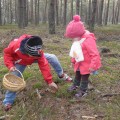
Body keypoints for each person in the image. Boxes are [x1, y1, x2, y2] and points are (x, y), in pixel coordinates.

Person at [3, 34, 72, 111]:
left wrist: (50, 82)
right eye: (31, 55)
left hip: (33, 57)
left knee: (52, 57)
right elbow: (7, 54)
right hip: (20, 61)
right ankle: (8, 101)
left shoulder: (38, 52)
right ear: (26, 50)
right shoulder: (15, 46)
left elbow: (44, 66)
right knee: (14, 78)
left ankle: (61, 75)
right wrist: (10, 66)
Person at [64, 15, 101, 98]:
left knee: (84, 77)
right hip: (79, 63)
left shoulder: (88, 40)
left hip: (87, 64)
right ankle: (75, 85)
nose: (73, 39)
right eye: (72, 38)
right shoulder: (77, 40)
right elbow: (75, 51)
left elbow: (95, 54)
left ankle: (83, 90)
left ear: (79, 33)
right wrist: (73, 61)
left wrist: (93, 66)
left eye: (74, 37)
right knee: (77, 74)